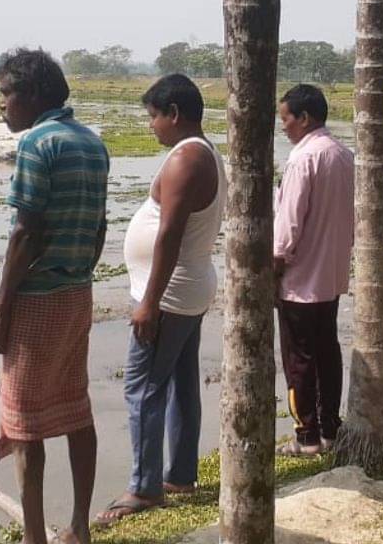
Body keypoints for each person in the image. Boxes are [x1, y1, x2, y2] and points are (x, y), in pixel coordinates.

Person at [0, 48, 109, 544]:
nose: (2, 104)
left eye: (6, 93)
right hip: (76, 294)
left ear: (33, 94)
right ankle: (79, 526)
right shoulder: (92, 143)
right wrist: (78, 270)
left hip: (36, 299)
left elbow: (26, 232)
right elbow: (99, 229)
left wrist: (0, 308)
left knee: (24, 423)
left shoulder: (37, 143)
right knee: (76, 407)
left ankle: (35, 536)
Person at [95, 74, 227, 525]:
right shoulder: (203, 152)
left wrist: (149, 303)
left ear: (173, 113)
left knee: (143, 387)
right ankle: (181, 474)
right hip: (189, 288)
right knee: (181, 381)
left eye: (153, 116)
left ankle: (145, 487)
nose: (150, 125)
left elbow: (169, 235)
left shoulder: (186, 159)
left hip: (170, 294)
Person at [273, 84, 355, 457]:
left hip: (300, 277)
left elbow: (288, 224)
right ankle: (329, 428)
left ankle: (306, 435)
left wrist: (275, 265)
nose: (283, 127)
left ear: (304, 118)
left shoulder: (302, 159)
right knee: (326, 352)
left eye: (286, 119)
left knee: (299, 358)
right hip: (331, 274)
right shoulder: (343, 155)